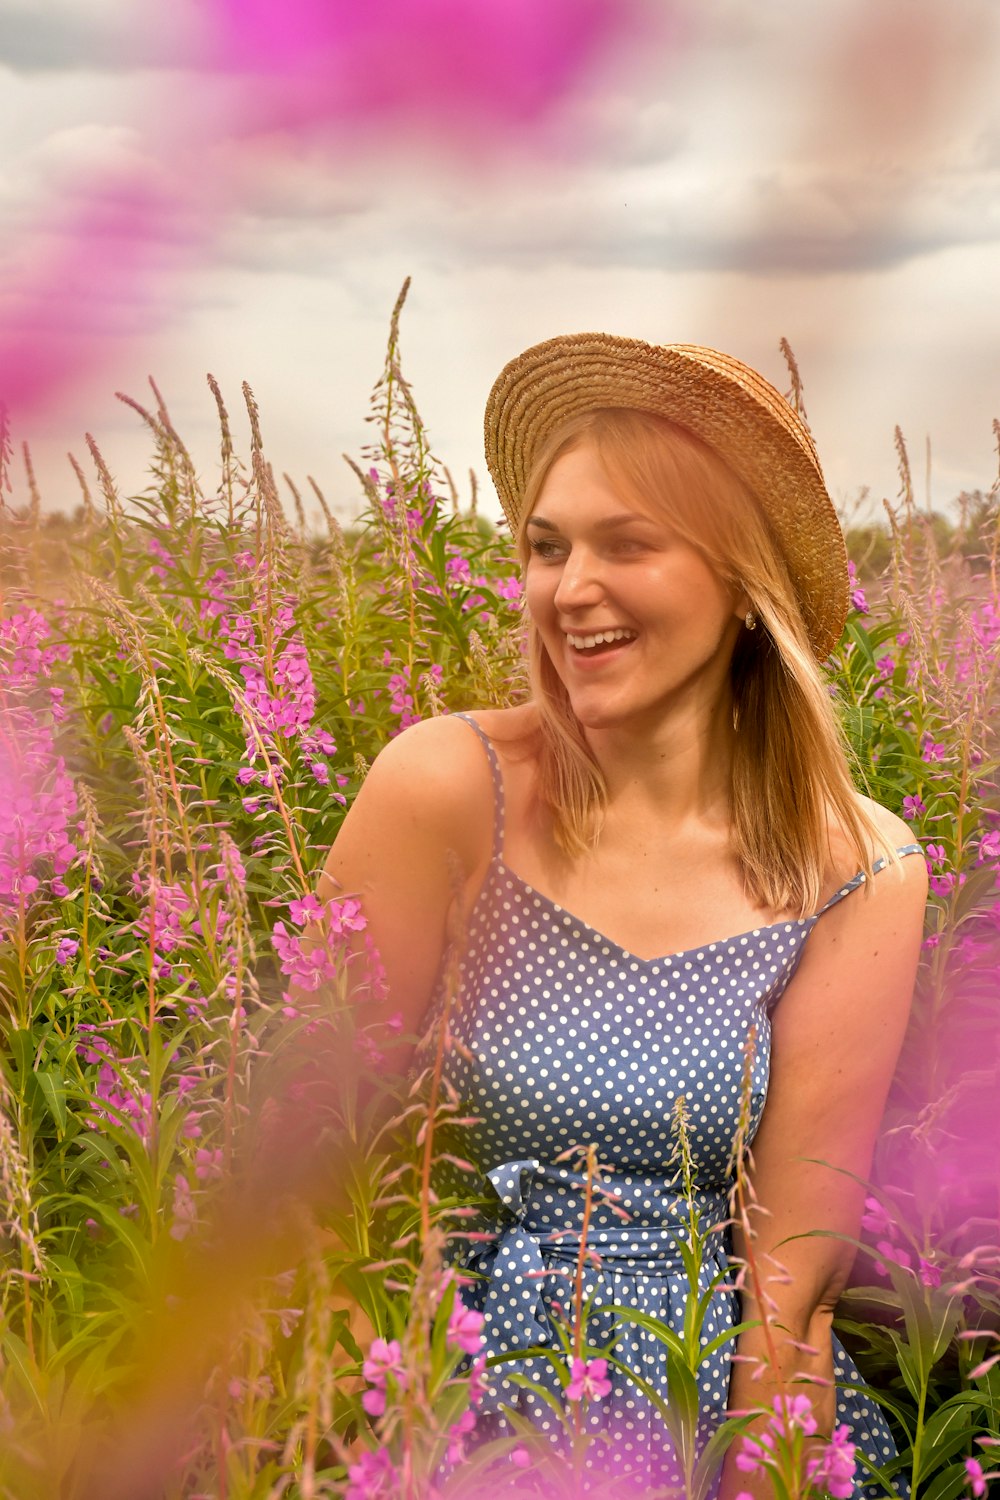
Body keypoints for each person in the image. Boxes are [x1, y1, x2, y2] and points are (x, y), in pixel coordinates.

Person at [317, 335, 927, 1496]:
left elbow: (791, 1281)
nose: (568, 588)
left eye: (627, 544)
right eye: (548, 547)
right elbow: (302, 1157)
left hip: (699, 1401)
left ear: (744, 584)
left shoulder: (856, 865)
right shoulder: (448, 789)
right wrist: (361, 1428)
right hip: (441, 1381)